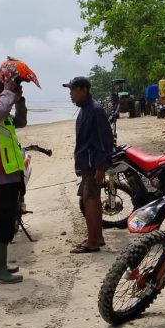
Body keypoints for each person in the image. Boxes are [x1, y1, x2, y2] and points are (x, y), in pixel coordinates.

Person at [0, 57, 39, 283]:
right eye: (8, 93)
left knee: (7, 219)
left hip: (10, 174)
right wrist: (8, 91)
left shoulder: (2, 115)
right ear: (0, 93)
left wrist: (19, 100)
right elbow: (0, 110)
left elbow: (20, 121)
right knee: (0, 221)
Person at [64, 76, 114, 253]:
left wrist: (100, 166)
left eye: (73, 90)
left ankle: (93, 242)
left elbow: (105, 140)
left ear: (83, 90)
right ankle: (97, 236)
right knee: (91, 199)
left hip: (93, 164)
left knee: (90, 200)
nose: (70, 94)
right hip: (87, 163)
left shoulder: (95, 110)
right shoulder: (85, 109)